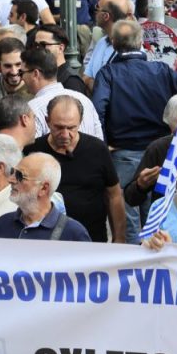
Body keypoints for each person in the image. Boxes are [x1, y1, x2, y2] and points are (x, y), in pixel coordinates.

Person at [92, 19, 177, 242]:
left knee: (129, 216)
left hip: (124, 153)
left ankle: (135, 264)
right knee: (160, 211)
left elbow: (97, 109)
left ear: (113, 43)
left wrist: (104, 143)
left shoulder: (108, 74)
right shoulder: (160, 70)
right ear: (141, 42)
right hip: (161, 151)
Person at [24, 95, 125, 243]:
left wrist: (120, 238)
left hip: (91, 240)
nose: (65, 134)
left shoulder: (97, 149)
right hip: (45, 241)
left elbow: (114, 195)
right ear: (47, 121)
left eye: (71, 128)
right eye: (58, 127)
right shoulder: (33, 150)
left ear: (80, 122)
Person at [0, 153, 92, 241]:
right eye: (12, 172)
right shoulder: (2, 223)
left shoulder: (73, 233)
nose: (10, 179)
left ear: (43, 188)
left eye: (20, 175)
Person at [21, 48, 102, 140]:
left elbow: (30, 149)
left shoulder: (33, 109)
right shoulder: (85, 100)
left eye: (22, 73)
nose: (21, 78)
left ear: (35, 74)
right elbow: (99, 140)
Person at [31, 25, 88, 96]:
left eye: (43, 44)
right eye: (36, 45)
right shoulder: (39, 74)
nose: (38, 49)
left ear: (61, 48)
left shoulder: (71, 81)